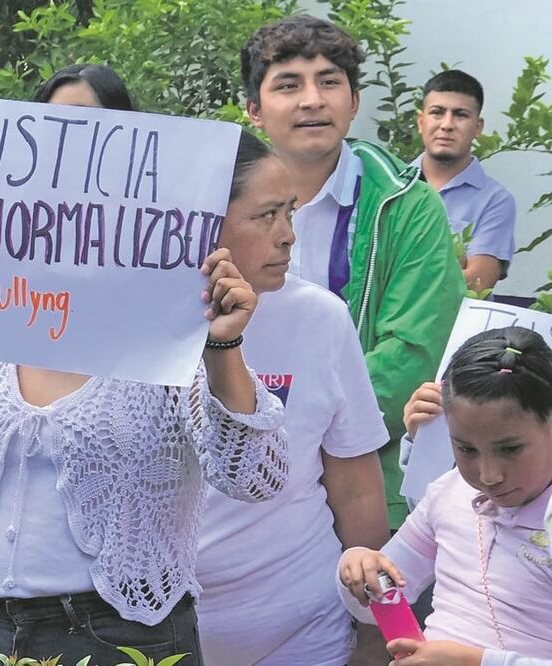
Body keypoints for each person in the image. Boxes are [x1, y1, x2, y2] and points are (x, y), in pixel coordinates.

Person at [0, 65, 289, 665]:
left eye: (96, 134)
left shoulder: (172, 324)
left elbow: (254, 476)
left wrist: (221, 349)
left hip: (122, 639)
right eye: (56, 132)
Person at [241, 15, 466, 532]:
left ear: (354, 101)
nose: (312, 100)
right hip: (238, 483)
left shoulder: (406, 205)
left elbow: (413, 352)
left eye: (329, 82)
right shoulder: (221, 204)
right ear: (254, 109)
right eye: (288, 85)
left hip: (368, 480)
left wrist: (294, 431)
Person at [196, 130, 390, 665]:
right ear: (202, 223)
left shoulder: (321, 317)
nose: (288, 236)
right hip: (156, 638)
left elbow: (356, 485)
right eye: (266, 216)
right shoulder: (132, 329)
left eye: (290, 212)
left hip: (307, 629)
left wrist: (378, 628)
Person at [339, 326, 552, 665]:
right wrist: (360, 570)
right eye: (466, 449)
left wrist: (477, 662)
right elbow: (375, 605)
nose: (489, 475)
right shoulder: (448, 494)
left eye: (511, 449)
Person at [413, 70, 517, 292]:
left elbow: (476, 284)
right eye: (437, 112)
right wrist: (450, 268)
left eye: (460, 115)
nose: (447, 124)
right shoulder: (390, 184)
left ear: (478, 127)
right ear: (421, 122)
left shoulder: (495, 200)